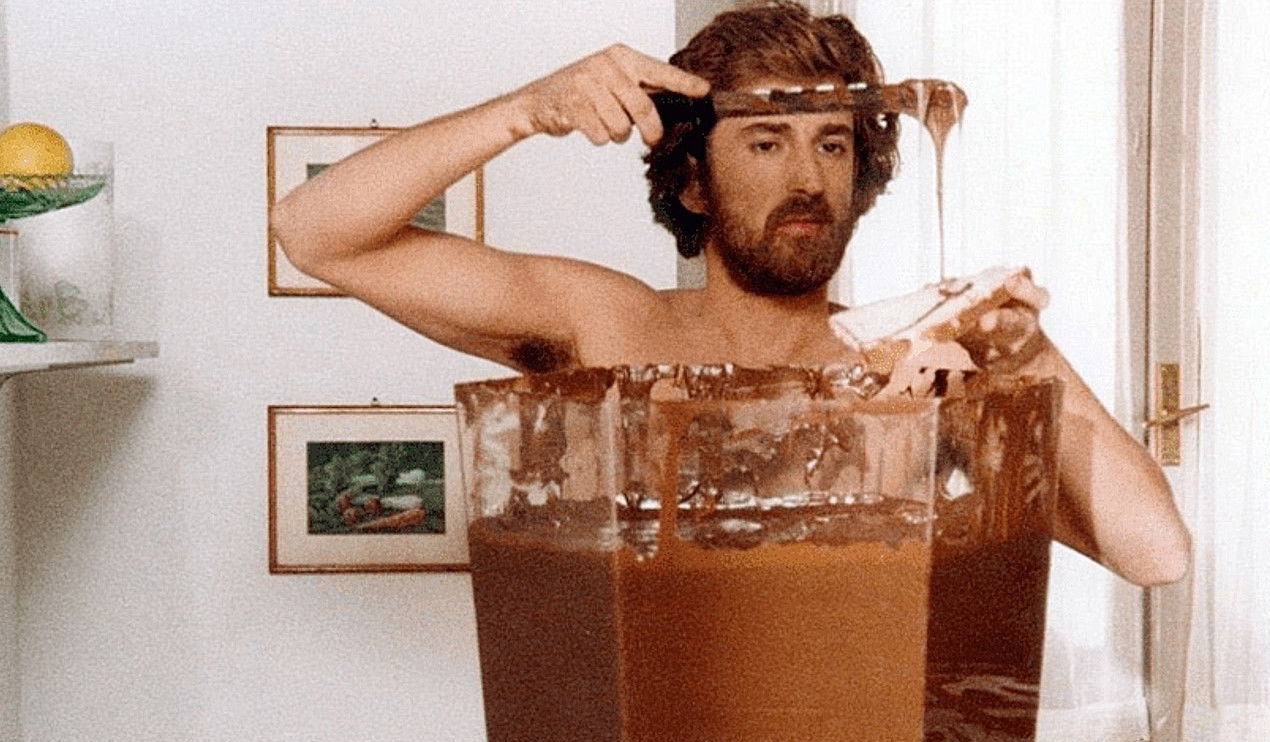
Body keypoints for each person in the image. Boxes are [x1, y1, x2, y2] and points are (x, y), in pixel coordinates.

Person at [271, 1, 1189, 587]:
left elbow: (1155, 555)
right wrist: (526, 109)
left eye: (833, 144)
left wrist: (1023, 348)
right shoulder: (606, 327)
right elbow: (316, 233)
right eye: (766, 143)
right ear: (694, 184)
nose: (808, 178)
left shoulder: (921, 370)